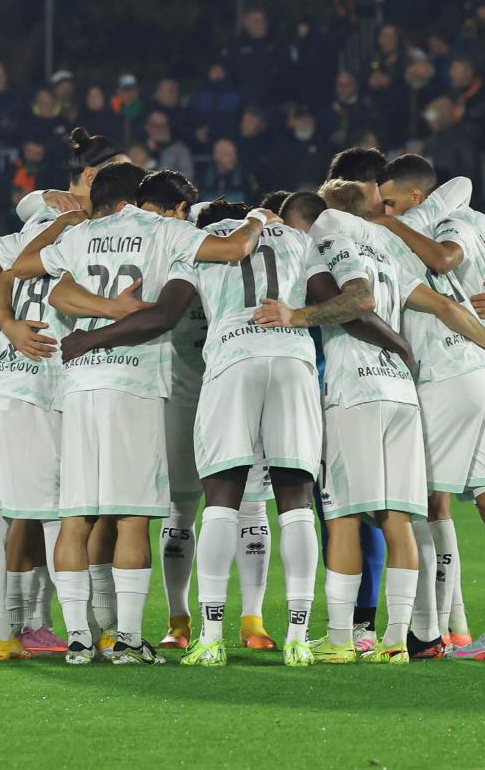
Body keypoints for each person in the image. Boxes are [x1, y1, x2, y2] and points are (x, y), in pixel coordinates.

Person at [49, 195, 362, 667]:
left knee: (221, 500)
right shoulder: (298, 239)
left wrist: (87, 338)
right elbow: (342, 298)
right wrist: (299, 317)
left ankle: (210, 636)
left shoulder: (196, 244)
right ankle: (298, 636)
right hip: (294, 360)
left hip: (232, 361)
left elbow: (162, 316)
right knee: (295, 501)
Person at [8, 163, 280, 665]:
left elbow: (33, 274)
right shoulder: (165, 232)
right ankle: (129, 639)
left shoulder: (83, 234)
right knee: (134, 515)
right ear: (138, 196)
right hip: (134, 383)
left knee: (75, 517)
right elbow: (235, 249)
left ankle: (77, 639)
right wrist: (259, 220)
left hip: (81, 382)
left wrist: (104, 306)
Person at [299, 179, 485, 665]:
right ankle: (398, 640)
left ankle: (339, 638)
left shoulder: (329, 234)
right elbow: (444, 305)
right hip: (401, 393)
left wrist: (296, 314)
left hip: (354, 390)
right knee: (398, 518)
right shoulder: (390, 251)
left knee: (344, 517)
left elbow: (357, 303)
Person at [0, 127, 131, 659]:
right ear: (89, 178)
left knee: (1, 508)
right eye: (119, 177)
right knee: (65, 508)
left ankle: (7, 628)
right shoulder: (89, 229)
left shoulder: (43, 219)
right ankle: (86, 628)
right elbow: (58, 289)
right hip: (39, 381)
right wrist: (113, 311)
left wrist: (10, 322)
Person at [373, 154, 485, 661]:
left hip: (456, 372)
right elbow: (462, 186)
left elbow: (446, 261)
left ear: (414, 201)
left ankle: (425, 634)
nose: (383, 211)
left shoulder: (412, 237)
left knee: (422, 502)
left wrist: (385, 222)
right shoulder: (476, 219)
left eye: (389, 203)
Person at [0, 134, 50, 229]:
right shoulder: (12, 169)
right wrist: (11, 197)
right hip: (11, 220)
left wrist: (34, 196)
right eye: (33, 147)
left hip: (40, 221)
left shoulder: (49, 171)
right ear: (25, 148)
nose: (37, 150)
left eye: (40, 148)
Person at [141, 110, 196, 182]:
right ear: (147, 127)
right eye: (156, 126)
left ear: (169, 127)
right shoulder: (139, 149)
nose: (160, 129)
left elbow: (189, 177)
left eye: (164, 125)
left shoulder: (180, 149)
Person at [198, 138, 256, 203]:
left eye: (234, 154)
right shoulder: (203, 178)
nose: (233, 158)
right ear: (216, 156)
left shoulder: (245, 177)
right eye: (227, 155)